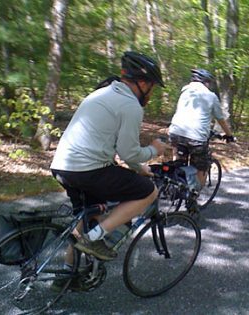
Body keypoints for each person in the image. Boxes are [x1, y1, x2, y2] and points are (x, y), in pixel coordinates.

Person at [50, 51, 166, 265]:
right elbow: (128, 152)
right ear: (142, 83)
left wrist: (139, 168)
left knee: (87, 219)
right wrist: (153, 150)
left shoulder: (103, 93)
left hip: (62, 166)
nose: (151, 93)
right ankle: (95, 238)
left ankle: (67, 274)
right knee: (149, 191)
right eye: (152, 86)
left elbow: (118, 149)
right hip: (88, 170)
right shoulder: (130, 105)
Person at [168, 69, 234, 189]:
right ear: (206, 82)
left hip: (175, 132)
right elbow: (221, 119)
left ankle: (173, 185)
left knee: (178, 160)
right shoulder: (211, 96)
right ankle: (194, 198)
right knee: (201, 166)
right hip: (196, 137)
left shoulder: (185, 91)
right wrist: (229, 135)